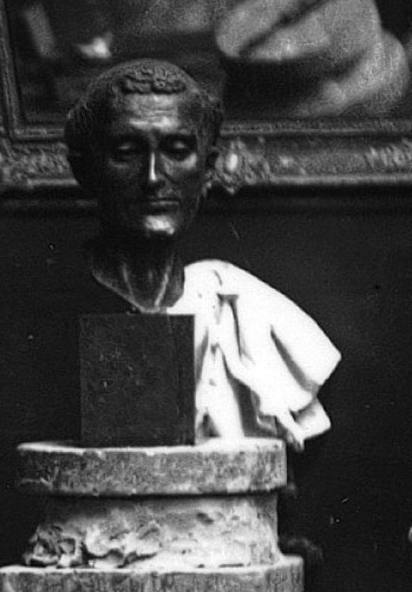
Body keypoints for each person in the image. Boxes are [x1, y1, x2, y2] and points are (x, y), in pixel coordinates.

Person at [64, 58, 340, 450]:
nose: (154, 177)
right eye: (126, 151)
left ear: (207, 168)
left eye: (177, 150)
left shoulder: (241, 308)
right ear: (84, 170)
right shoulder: (48, 301)